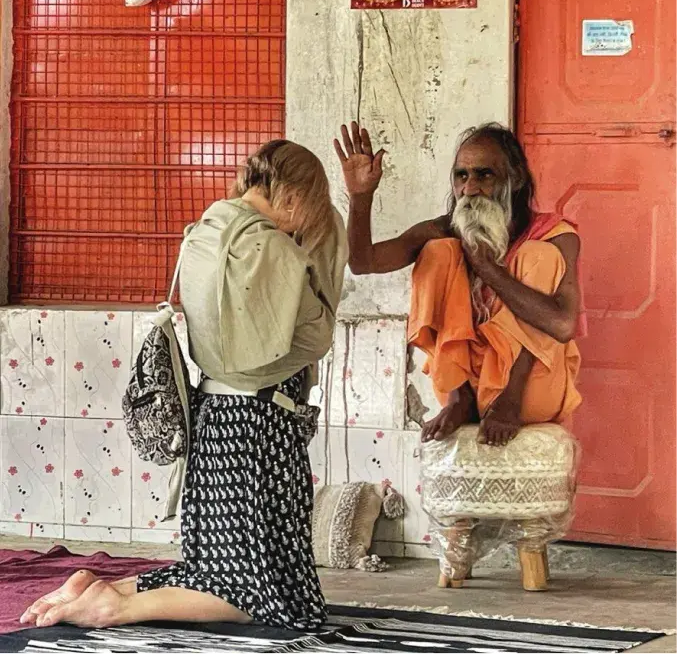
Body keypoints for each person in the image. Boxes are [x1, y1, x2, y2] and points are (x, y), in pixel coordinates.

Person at [20, 140, 348, 631]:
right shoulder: (273, 250)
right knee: (263, 599)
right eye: (309, 210)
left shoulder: (203, 233)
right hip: (259, 427)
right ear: (294, 198)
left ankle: (101, 586)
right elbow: (313, 337)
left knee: (215, 568)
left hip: (213, 418)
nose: (303, 224)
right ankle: (114, 606)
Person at [334, 121, 583, 447]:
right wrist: (361, 196)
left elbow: (562, 324)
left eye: (485, 175)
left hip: (529, 390)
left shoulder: (556, 235)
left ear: (516, 179)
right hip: (468, 379)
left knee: (540, 255)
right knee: (439, 252)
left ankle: (507, 399)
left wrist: (485, 267)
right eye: (461, 176)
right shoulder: (446, 230)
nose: (470, 188)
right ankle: (458, 397)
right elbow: (363, 262)